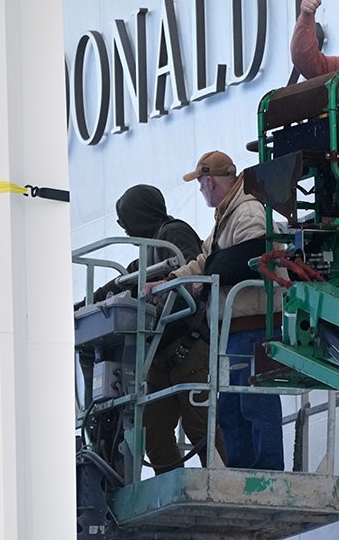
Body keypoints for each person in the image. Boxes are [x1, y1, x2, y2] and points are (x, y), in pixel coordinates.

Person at [170, 150, 285, 471]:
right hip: (237, 329)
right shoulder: (230, 213)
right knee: (234, 407)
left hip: (252, 326)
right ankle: (242, 472)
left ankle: (267, 470)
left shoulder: (247, 210)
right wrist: (172, 280)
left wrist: (206, 278)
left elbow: (256, 255)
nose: (200, 189)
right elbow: (206, 261)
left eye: (200, 183)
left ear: (209, 181)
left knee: (254, 401)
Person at [102, 185, 223, 472]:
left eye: (125, 219)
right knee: (152, 428)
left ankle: (223, 481)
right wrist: (88, 302)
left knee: (201, 429)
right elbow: (124, 281)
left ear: (140, 215)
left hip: (189, 346)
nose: (124, 228)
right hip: (160, 354)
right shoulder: (152, 248)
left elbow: (194, 272)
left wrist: (167, 291)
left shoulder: (173, 234)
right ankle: (171, 484)